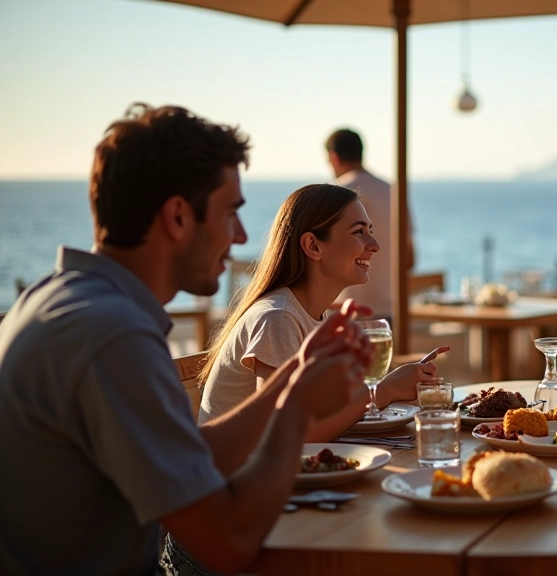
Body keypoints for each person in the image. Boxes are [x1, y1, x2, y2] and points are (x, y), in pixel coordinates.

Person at [0, 104, 375, 575]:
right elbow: (230, 543)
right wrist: (295, 410)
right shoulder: (111, 337)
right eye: (230, 214)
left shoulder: (61, 300)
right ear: (178, 216)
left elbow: (191, 452)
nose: (240, 237)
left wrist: (293, 381)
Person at [198, 182, 438, 439]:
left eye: (370, 230)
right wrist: (385, 391)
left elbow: (314, 414)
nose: (375, 244)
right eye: (359, 232)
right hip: (235, 476)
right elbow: (280, 435)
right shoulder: (277, 318)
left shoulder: (313, 316)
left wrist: (387, 387)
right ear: (313, 246)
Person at [326, 128, 413, 323]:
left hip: (346, 310)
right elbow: (409, 258)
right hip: (390, 310)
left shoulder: (335, 193)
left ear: (334, 157)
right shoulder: (392, 191)